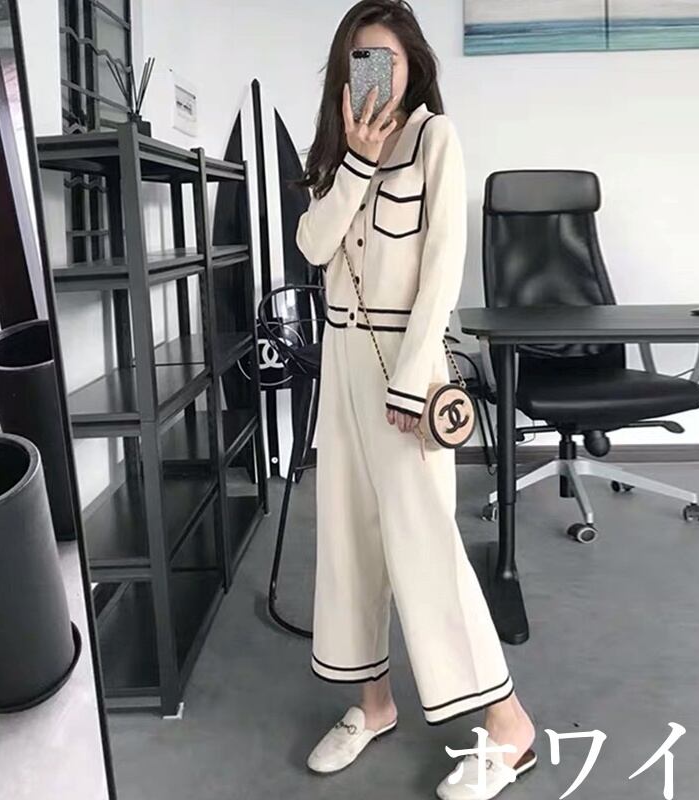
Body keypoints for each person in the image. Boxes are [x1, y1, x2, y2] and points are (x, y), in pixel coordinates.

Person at [294, 2, 537, 797]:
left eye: (387, 60)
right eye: (359, 59)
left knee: (425, 543)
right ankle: (374, 704)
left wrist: (411, 379)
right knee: (350, 541)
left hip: (407, 367)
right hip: (342, 365)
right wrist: (356, 163)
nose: (374, 74)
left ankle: (510, 727)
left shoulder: (437, 139)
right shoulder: (335, 152)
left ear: (413, 67)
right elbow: (313, 246)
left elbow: (442, 271)